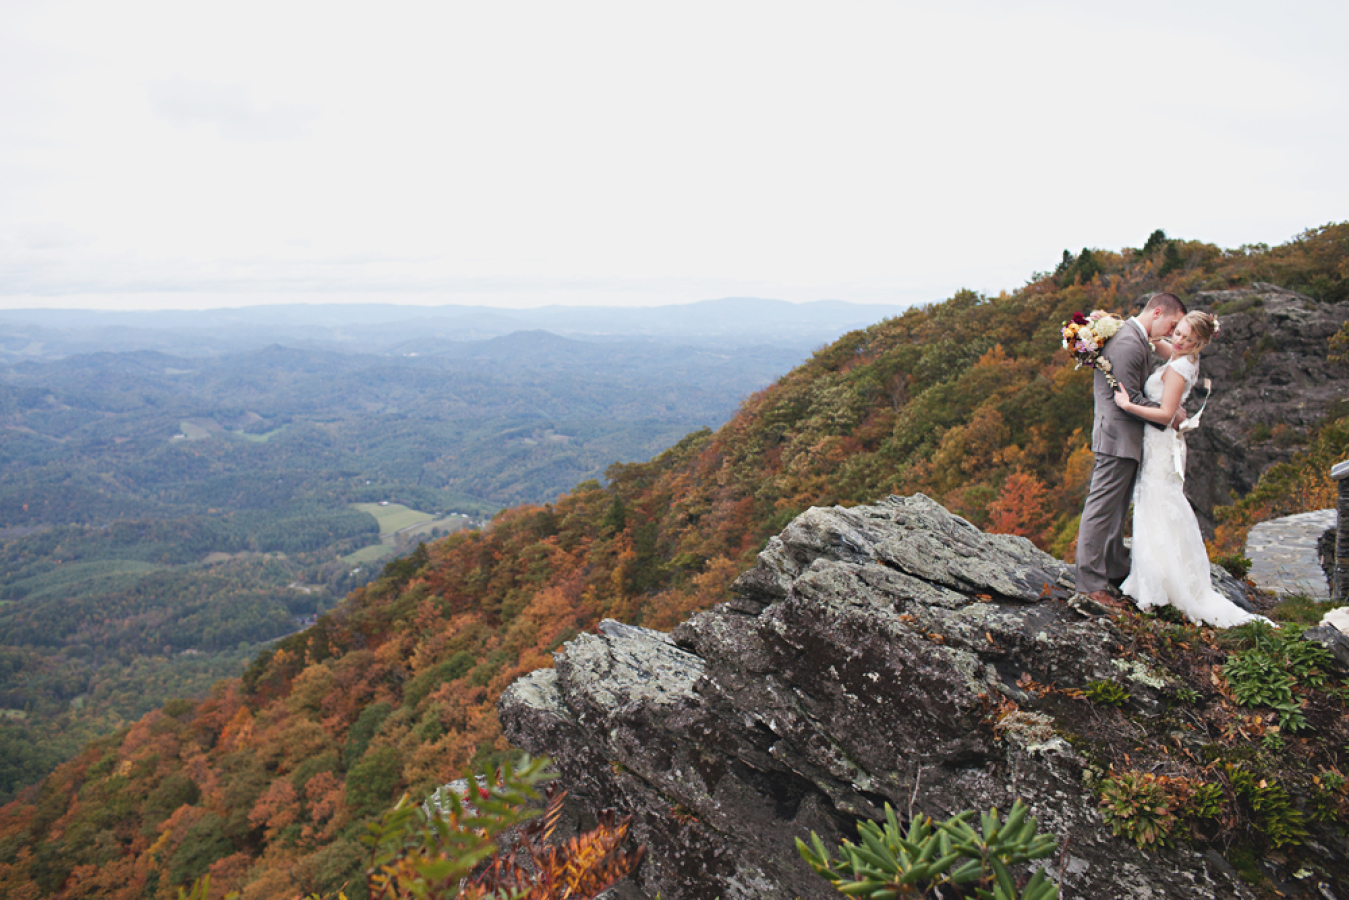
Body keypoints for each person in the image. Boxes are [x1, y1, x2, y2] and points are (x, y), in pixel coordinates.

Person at [1112, 311, 1275, 627]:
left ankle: (1160, 583)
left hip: (1160, 442)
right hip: (1163, 443)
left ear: (1200, 343)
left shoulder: (1179, 368)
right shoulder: (1178, 355)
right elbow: (1157, 342)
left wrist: (1127, 405)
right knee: (1156, 504)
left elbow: (1165, 414)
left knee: (1157, 504)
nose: (1180, 341)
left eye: (1189, 339)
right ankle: (1157, 576)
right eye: (1179, 333)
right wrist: (1115, 325)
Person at [1074, 292, 1187, 606]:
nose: (1171, 331)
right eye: (1172, 324)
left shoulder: (1136, 336)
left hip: (1126, 438)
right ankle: (1089, 583)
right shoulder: (1128, 343)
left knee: (1116, 509)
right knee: (1101, 510)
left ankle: (1112, 566)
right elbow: (1130, 400)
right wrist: (1171, 413)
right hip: (1117, 437)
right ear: (1157, 312)